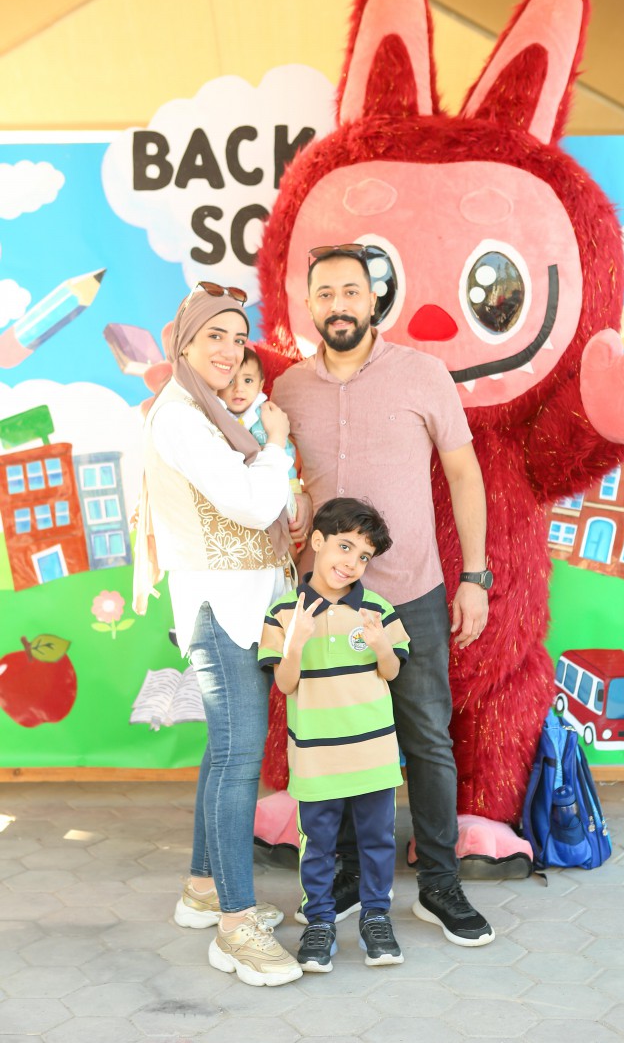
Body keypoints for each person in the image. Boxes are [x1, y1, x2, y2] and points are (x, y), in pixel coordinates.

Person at [272, 245, 495, 947]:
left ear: (373, 300)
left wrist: (476, 577)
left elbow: (464, 475)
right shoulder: (287, 390)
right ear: (309, 305)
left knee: (427, 740)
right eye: (325, 293)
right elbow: (274, 480)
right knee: (332, 739)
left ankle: (439, 884)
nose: (338, 304)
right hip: (322, 605)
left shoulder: (423, 374)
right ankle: (342, 875)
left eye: (351, 291)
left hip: (412, 594)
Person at [132, 280, 302, 987]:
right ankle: (234, 928)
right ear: (184, 343)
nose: (231, 351)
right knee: (237, 759)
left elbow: (266, 504)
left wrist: (271, 472)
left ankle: (204, 890)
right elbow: (254, 503)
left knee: (226, 749)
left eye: (238, 338)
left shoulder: (210, 414)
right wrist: (279, 447)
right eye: (215, 337)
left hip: (246, 602)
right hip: (219, 608)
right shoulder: (181, 419)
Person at [259, 497, 410, 973]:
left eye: (364, 556)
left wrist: (382, 644)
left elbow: (392, 671)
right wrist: (296, 643)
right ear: (318, 541)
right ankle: (320, 923)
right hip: (316, 758)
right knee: (318, 845)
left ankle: (376, 919)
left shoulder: (378, 609)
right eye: (344, 547)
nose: (352, 563)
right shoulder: (284, 612)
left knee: (377, 841)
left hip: (373, 755)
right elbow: (285, 685)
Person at [218, 348, 301, 517]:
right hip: (247, 492)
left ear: (260, 385)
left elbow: (286, 450)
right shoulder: (219, 417)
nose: (239, 389)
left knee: (291, 521)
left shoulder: (265, 414)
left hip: (284, 481)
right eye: (230, 381)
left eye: (248, 380)